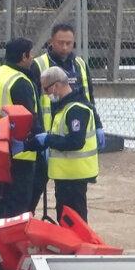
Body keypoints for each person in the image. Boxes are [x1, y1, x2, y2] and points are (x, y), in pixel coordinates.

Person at [29, 23, 103, 213]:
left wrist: (99, 124)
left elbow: (88, 97)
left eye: (69, 43)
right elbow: (33, 104)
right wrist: (40, 135)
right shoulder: (39, 65)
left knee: (71, 200)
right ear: (51, 42)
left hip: (67, 136)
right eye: (60, 43)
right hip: (47, 134)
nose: (64, 47)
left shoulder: (79, 65)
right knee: (33, 189)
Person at [0, 38, 40, 250]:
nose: (32, 59)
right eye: (30, 55)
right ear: (24, 56)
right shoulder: (21, 82)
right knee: (17, 200)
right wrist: (38, 141)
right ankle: (10, 243)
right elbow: (30, 118)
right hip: (19, 151)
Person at [29, 66, 98, 221]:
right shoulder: (64, 107)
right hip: (66, 175)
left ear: (56, 85)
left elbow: (75, 141)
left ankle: (78, 246)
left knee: (74, 221)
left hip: (74, 175)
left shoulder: (76, 109)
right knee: (66, 219)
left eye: (46, 90)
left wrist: (48, 139)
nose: (46, 94)